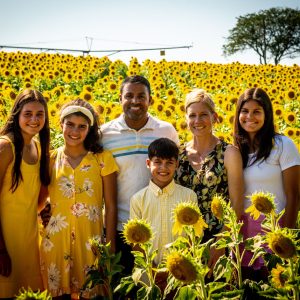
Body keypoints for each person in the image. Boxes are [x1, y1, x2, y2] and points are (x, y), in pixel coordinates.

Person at [40, 99, 118, 299]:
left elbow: (110, 206)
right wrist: (45, 211)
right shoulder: (49, 159)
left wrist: (109, 247)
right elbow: (38, 201)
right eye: (70, 125)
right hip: (55, 242)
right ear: (61, 125)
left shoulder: (102, 159)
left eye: (82, 126)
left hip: (91, 242)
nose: (75, 131)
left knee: (90, 293)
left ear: (89, 129)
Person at [101, 75, 179, 275]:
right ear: (120, 99)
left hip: (159, 226)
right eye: (129, 96)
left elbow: (175, 172)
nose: (135, 101)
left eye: (141, 96)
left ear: (150, 100)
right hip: (119, 227)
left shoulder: (166, 130)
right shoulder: (104, 134)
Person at [174, 88, 244, 273]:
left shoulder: (229, 153)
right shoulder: (178, 154)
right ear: (186, 119)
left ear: (214, 117)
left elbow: (237, 204)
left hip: (218, 240)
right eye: (192, 115)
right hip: (184, 239)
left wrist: (222, 242)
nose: (197, 121)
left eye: (203, 115)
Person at [234, 87, 300, 279]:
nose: (250, 117)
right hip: (244, 232)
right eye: (245, 111)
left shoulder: (282, 145)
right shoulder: (236, 150)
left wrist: (285, 239)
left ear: (267, 115)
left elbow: (294, 195)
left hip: (276, 229)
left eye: (257, 112)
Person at [0, 89, 50, 298]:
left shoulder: (38, 148)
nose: (34, 119)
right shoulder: (5, 146)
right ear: (17, 115)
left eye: (40, 114)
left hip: (29, 241)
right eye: (28, 114)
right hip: (5, 240)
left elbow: (34, 202)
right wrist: (0, 249)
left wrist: (46, 209)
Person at [130, 137, 197, 264]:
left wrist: (176, 266)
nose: (163, 168)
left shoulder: (188, 196)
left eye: (169, 163)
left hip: (181, 270)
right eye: (158, 162)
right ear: (148, 163)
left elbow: (192, 236)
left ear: (177, 164)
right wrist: (152, 269)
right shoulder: (138, 199)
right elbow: (135, 241)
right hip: (149, 274)